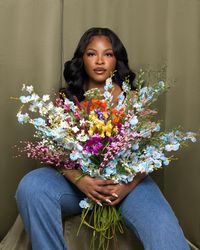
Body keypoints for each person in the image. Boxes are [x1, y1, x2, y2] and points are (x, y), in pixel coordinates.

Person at [15, 27, 190, 250]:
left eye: (107, 54)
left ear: (116, 60)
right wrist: (80, 179)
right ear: (82, 59)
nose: (99, 61)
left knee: (165, 231)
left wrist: (127, 185)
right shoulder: (67, 100)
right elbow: (54, 152)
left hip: (127, 185)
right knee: (31, 185)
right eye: (91, 54)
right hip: (77, 185)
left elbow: (149, 151)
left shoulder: (133, 99)